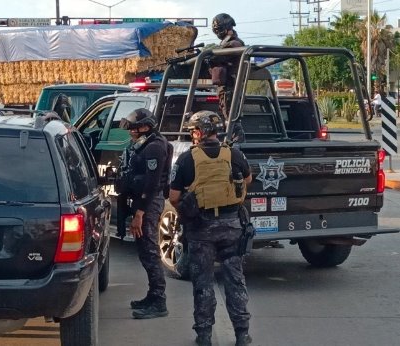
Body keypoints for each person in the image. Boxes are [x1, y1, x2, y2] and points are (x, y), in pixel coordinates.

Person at [169, 110, 253, 346]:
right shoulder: (234, 154)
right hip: (232, 227)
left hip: (201, 229)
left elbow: (173, 197)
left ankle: (204, 335)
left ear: (199, 132)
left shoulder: (187, 159)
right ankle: (242, 334)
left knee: (203, 282)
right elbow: (247, 180)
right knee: (235, 280)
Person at [116, 108, 173, 319]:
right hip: (142, 202)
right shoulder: (144, 144)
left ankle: (159, 301)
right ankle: (153, 294)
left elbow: (152, 183)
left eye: (134, 129)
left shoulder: (155, 148)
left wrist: (140, 212)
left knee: (149, 250)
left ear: (146, 127)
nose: (131, 132)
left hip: (148, 203)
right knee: (143, 250)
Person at [209, 13, 246, 143]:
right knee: (229, 119)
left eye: (218, 30)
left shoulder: (235, 43)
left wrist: (209, 56)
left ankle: (236, 147)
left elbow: (219, 57)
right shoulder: (226, 43)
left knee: (232, 120)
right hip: (227, 88)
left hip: (231, 87)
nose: (217, 33)